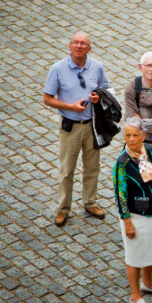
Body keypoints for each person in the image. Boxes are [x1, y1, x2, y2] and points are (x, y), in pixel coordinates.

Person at [43, 32, 110, 227]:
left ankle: (90, 202)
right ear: (69, 46)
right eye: (76, 43)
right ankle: (63, 208)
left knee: (92, 167)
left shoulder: (97, 67)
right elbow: (47, 99)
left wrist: (98, 97)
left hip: (92, 125)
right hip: (70, 127)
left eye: (83, 44)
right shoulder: (58, 69)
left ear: (89, 48)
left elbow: (105, 89)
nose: (79, 46)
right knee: (66, 170)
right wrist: (71, 107)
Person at [113, 118, 152, 303]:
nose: (131, 139)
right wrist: (127, 221)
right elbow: (120, 195)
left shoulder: (151, 150)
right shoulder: (122, 162)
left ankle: (147, 284)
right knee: (135, 256)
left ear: (143, 136)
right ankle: (135, 296)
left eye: (135, 135)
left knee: (151, 250)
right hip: (135, 216)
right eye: (127, 135)